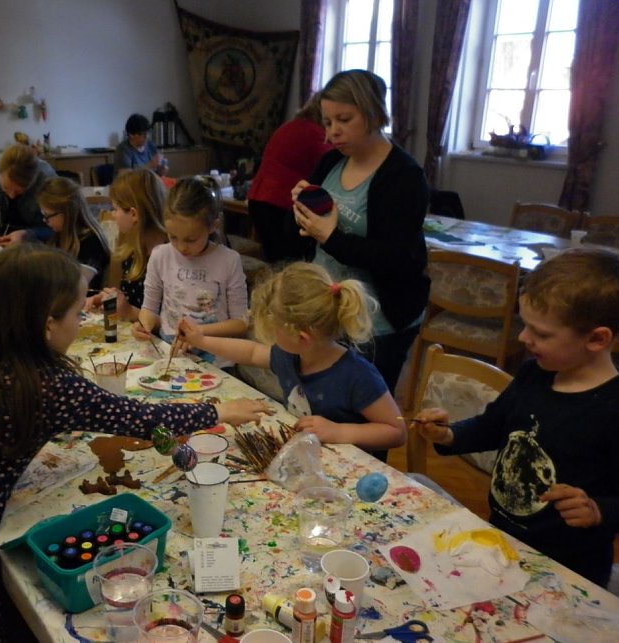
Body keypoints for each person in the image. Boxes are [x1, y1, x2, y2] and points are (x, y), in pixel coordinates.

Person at [0, 243, 270, 641]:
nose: (80, 322)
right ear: (46, 324)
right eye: (78, 313)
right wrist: (216, 411)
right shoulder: (48, 387)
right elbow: (138, 417)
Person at [413, 248, 619, 587]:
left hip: (568, 569)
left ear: (597, 339)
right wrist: (448, 435)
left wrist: (599, 510)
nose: (523, 338)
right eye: (525, 325)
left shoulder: (612, 409)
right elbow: (491, 427)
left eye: (541, 334)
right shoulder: (534, 374)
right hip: (504, 544)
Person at [291, 70, 429, 422]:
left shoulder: (404, 176)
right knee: (325, 413)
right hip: (331, 311)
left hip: (379, 322)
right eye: (326, 121)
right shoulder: (330, 161)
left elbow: (397, 259)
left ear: (372, 113)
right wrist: (304, 210)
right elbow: (317, 231)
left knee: (367, 425)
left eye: (343, 120)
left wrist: (330, 237)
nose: (331, 132)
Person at [179, 262, 406, 454]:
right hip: (307, 461)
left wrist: (339, 431)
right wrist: (202, 340)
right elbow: (251, 352)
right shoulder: (293, 354)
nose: (271, 338)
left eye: (274, 329)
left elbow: (396, 431)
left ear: (302, 337)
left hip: (356, 479)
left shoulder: (358, 375)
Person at [131, 177, 248, 367]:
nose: (181, 247)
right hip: (171, 355)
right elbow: (149, 309)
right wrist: (144, 325)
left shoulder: (228, 260)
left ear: (212, 227)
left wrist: (200, 333)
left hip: (217, 360)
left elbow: (241, 323)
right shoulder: (160, 256)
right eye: (173, 237)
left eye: (191, 239)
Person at [248, 92, 333, 262]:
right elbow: (331, 167)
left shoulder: (291, 126)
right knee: (289, 263)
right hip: (279, 202)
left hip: (258, 198)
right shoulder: (316, 133)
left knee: (275, 260)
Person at [89, 168, 168, 320]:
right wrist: (107, 299)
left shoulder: (170, 257)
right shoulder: (132, 251)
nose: (113, 214)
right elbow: (127, 300)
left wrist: (130, 312)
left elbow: (175, 322)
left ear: (133, 214)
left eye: (115, 208)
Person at [38, 176, 112, 289]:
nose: (45, 220)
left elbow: (81, 286)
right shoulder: (59, 235)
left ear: (67, 213)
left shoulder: (91, 242)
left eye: (47, 216)